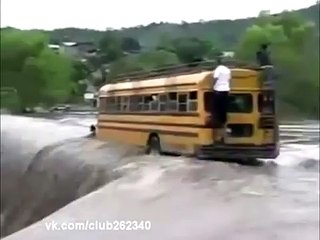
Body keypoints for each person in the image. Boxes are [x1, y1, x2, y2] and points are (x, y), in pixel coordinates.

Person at [212, 57, 231, 142]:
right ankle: (225, 132)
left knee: (215, 112)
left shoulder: (218, 69)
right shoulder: (228, 70)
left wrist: (212, 86)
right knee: (224, 113)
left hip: (218, 91)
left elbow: (215, 78)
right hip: (226, 91)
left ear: (217, 63)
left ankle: (217, 135)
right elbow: (229, 80)